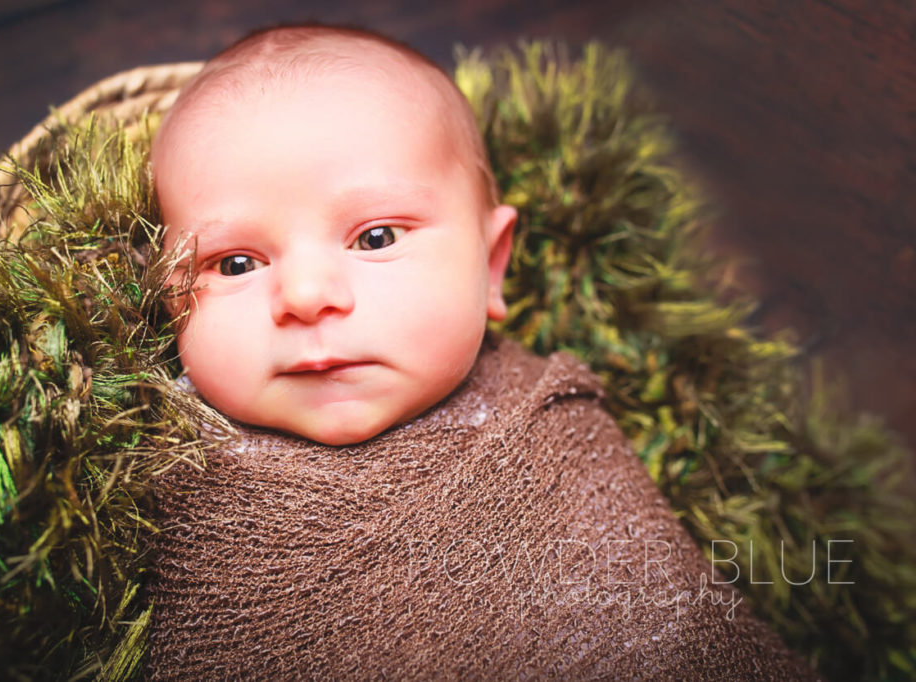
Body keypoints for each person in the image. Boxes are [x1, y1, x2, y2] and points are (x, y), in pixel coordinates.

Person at [145, 24, 819, 680]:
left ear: (491, 265)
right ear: (166, 297)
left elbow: (668, 625)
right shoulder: (160, 467)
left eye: (376, 238)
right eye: (235, 263)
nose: (306, 294)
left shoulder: (554, 425)